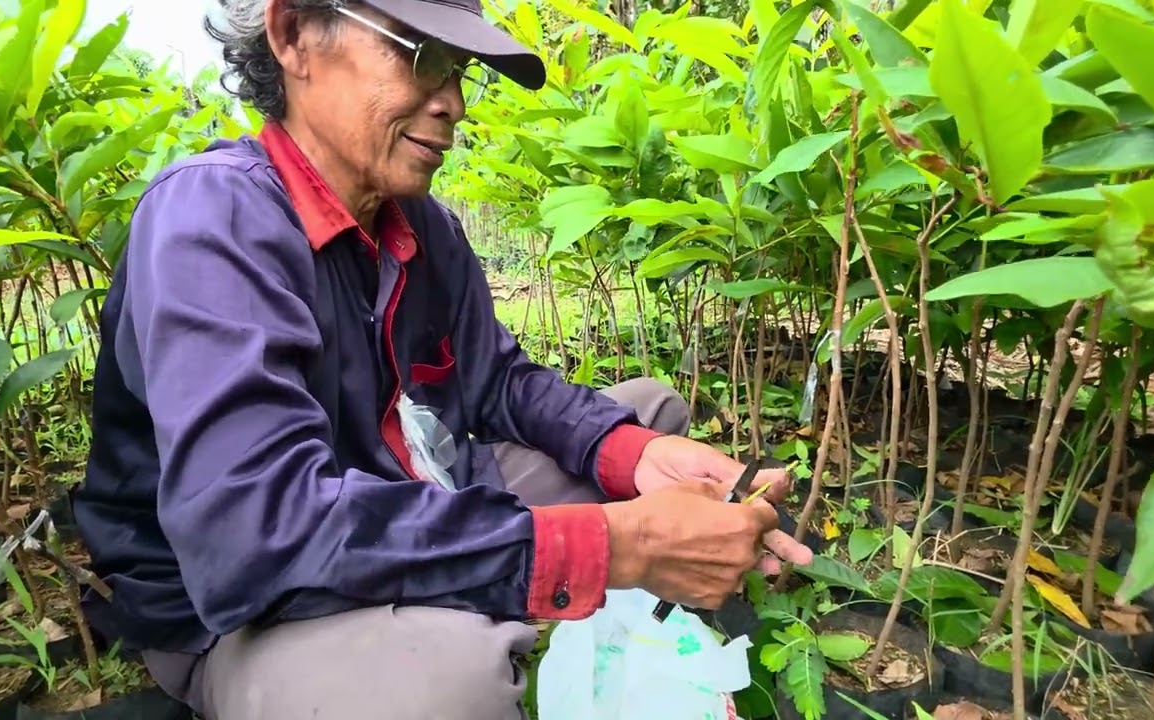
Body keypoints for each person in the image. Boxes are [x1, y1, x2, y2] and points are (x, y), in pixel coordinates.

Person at [71, 1, 815, 718]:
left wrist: (633, 455)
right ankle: (436, 632)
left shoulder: (420, 225)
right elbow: (260, 533)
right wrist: (622, 544)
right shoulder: (211, 219)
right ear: (294, 34)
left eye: (460, 69)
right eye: (421, 56)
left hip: (405, 484)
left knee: (648, 417)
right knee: (451, 681)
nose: (453, 102)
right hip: (240, 603)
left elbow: (498, 382)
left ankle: (502, 590)